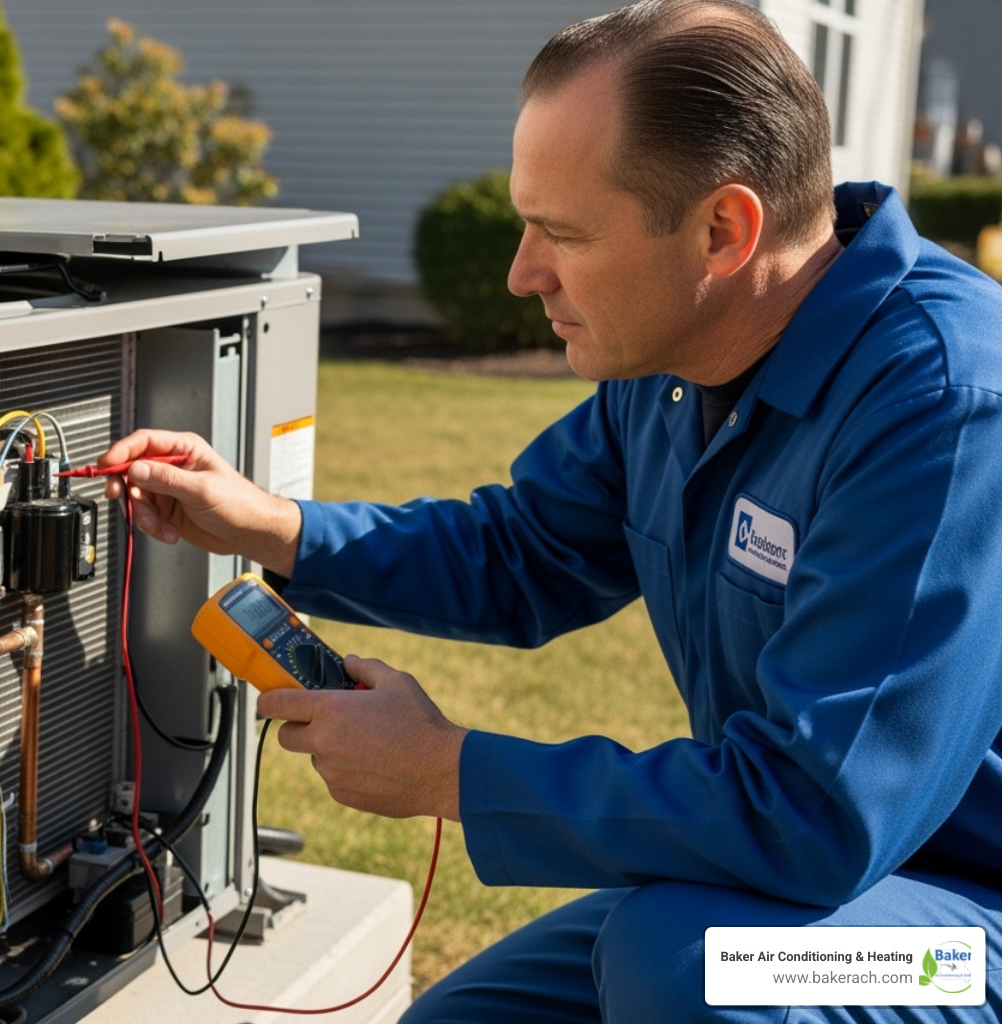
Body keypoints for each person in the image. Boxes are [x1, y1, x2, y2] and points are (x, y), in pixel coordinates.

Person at [99, 1, 1002, 1019]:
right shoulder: (673, 368)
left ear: (723, 231)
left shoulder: (944, 409)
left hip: (963, 930)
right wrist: (271, 525)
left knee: (689, 965)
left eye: (561, 234)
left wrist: (453, 770)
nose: (523, 273)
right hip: (776, 892)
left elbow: (817, 813)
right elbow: (520, 551)